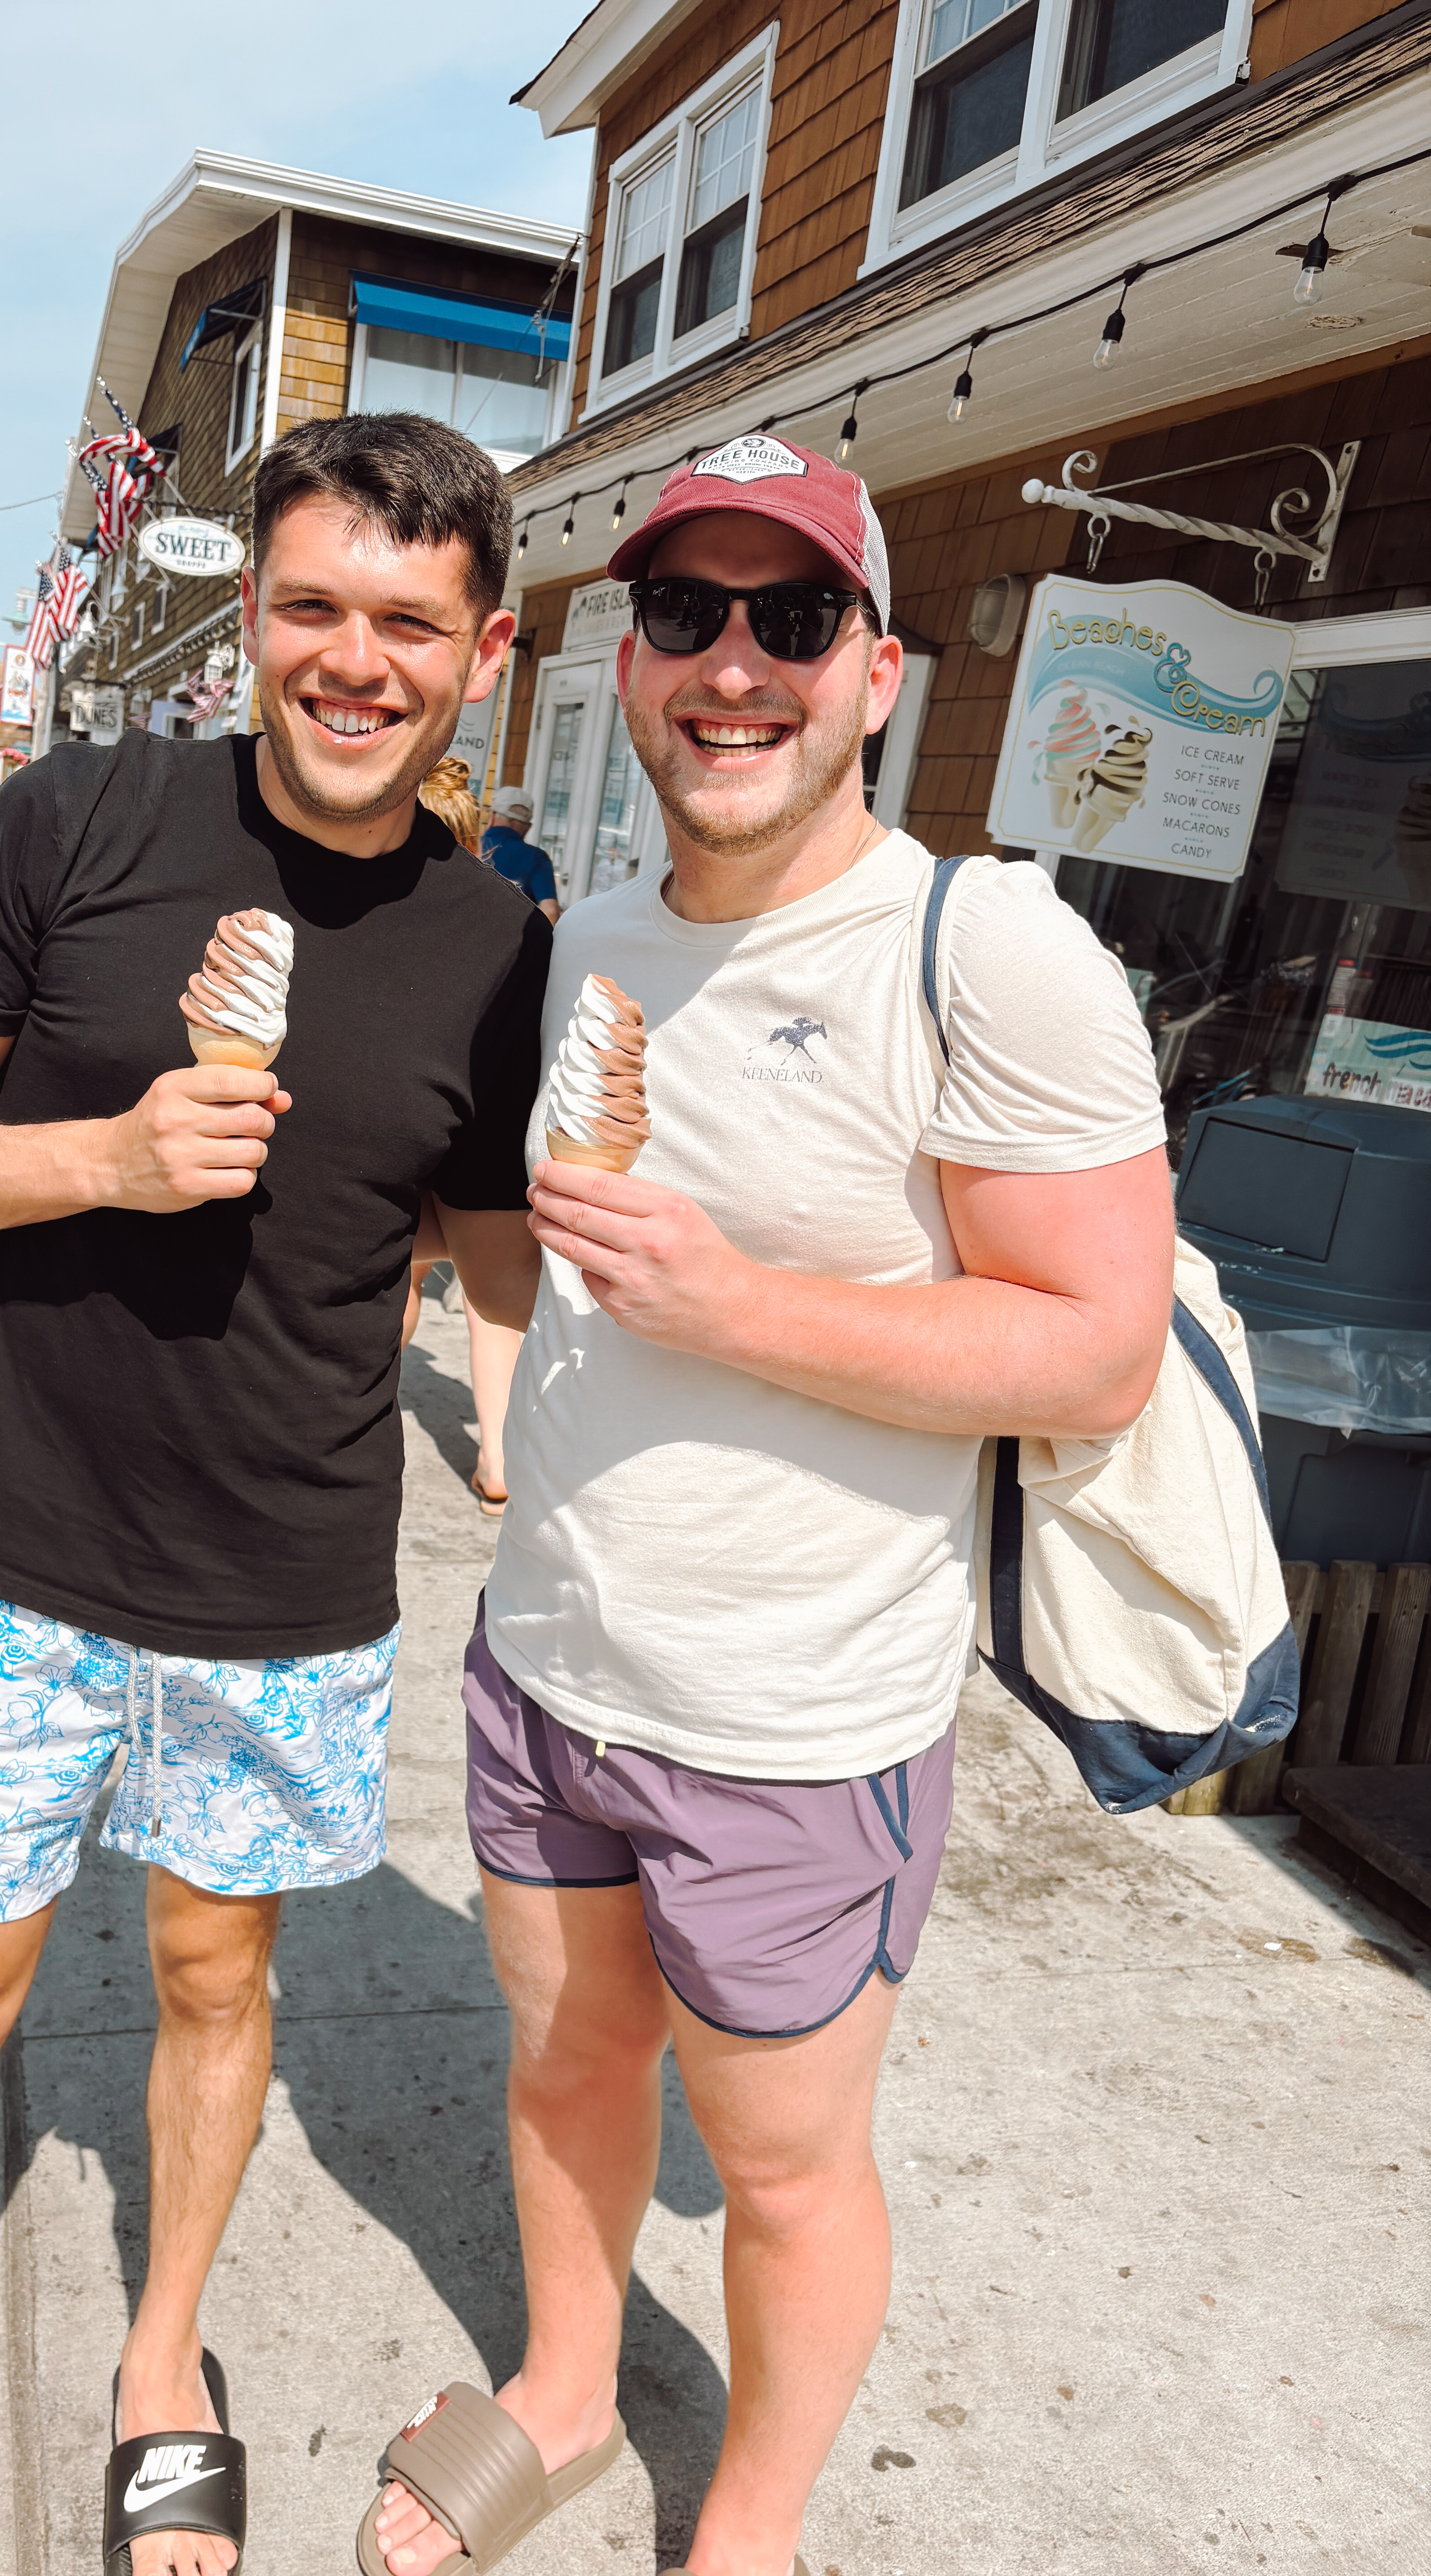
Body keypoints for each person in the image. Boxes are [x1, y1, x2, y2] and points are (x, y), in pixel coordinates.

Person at [0, 408, 549, 2576]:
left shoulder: (491, 946)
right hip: (17, 1548)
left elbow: (495, 1239)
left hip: (285, 1573)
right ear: (253, 614)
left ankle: (165, 2361)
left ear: (488, 652)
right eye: (316, 609)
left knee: (211, 1985)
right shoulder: (79, 819)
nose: (357, 664)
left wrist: (547, 1419)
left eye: (411, 626)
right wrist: (102, 1156)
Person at [364, 434, 1177, 2576]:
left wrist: (736, 1304)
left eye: (792, 616)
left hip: (801, 1719)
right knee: (560, 2073)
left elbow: (1093, 1345)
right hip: (550, 1659)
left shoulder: (983, 951)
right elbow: (539, 1265)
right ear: (627, 665)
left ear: (878, 672)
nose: (736, 666)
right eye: (689, 617)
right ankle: (556, 2391)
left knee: (790, 2167)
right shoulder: (587, 934)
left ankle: (750, 2519)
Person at [411, 757, 531, 1516]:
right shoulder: (503, 917)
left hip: (402, 1131)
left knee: (394, 1277)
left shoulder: (381, 912)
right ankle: (497, 1456)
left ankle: (343, 1418)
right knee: (497, 1299)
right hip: (483, 1127)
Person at [481, 785, 561, 922]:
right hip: (505, 940)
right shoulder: (537, 858)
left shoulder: (469, 846)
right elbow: (550, 912)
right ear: (528, 827)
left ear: (492, 816)